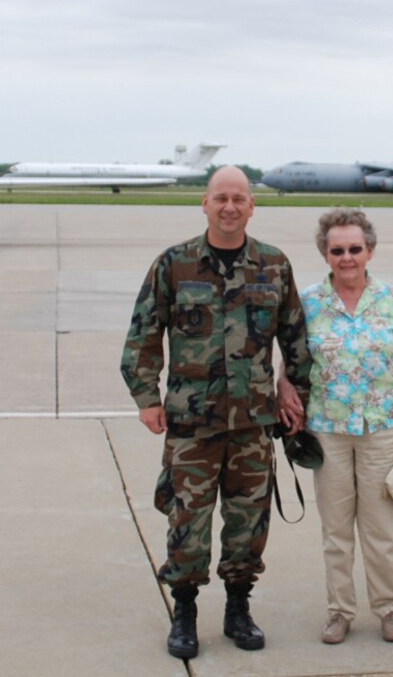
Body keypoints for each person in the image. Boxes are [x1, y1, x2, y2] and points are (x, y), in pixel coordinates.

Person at [122, 166, 311, 660]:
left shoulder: (274, 265)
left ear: (252, 206)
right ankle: (184, 610)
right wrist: (146, 397)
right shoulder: (175, 264)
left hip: (252, 424)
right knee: (188, 522)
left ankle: (238, 607)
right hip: (191, 425)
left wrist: (296, 393)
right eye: (221, 198)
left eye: (239, 199)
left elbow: (296, 339)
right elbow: (143, 334)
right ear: (204, 203)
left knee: (249, 523)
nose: (230, 207)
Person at [294, 209, 393, 646]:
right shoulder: (308, 302)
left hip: (382, 431)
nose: (347, 257)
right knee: (336, 529)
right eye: (338, 250)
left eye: (355, 249)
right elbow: (292, 363)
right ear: (325, 253)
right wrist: (286, 395)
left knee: (383, 528)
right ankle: (339, 611)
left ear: (369, 251)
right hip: (328, 431)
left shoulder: (392, 299)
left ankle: (389, 608)